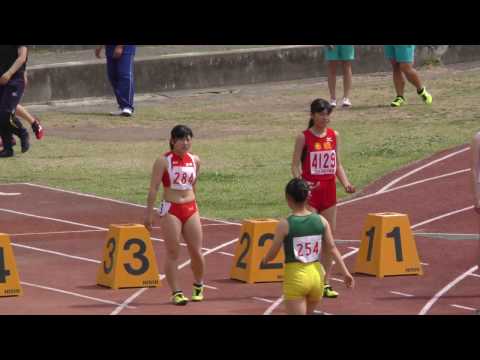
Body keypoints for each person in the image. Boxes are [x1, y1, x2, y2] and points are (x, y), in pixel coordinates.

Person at [291, 98, 356, 298]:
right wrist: (301, 184)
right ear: (312, 115)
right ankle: (305, 280)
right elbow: (295, 165)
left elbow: (337, 164)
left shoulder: (334, 136)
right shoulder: (303, 137)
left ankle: (325, 282)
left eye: (327, 114)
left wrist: (345, 183)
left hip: (329, 193)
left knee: (328, 240)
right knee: (310, 238)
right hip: (310, 194)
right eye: (320, 114)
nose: (324, 117)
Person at [262, 178, 354, 315]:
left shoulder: (285, 224)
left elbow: (273, 253)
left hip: (296, 277)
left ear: (288, 198)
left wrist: (265, 259)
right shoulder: (322, 221)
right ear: (308, 196)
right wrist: (345, 273)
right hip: (317, 277)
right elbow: (332, 248)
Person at [144, 125, 205, 306]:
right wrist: (149, 214)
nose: (185, 143)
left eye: (188, 139)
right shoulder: (163, 161)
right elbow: (154, 188)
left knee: (197, 251)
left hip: (191, 208)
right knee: (173, 252)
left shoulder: (196, 160)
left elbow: (193, 185)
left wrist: (196, 206)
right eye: (181, 139)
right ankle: (176, 292)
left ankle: (199, 285)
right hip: (171, 209)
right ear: (172, 141)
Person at [0, 45, 30, 158]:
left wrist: (9, 73)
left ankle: (22, 133)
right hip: (1, 79)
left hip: (15, 79)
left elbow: (22, 57)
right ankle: (8, 149)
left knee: (5, 114)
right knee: (1, 115)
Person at [95, 45, 136, 117]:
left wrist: (120, 46)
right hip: (110, 47)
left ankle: (127, 107)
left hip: (125, 47)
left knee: (124, 74)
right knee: (113, 76)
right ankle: (122, 106)